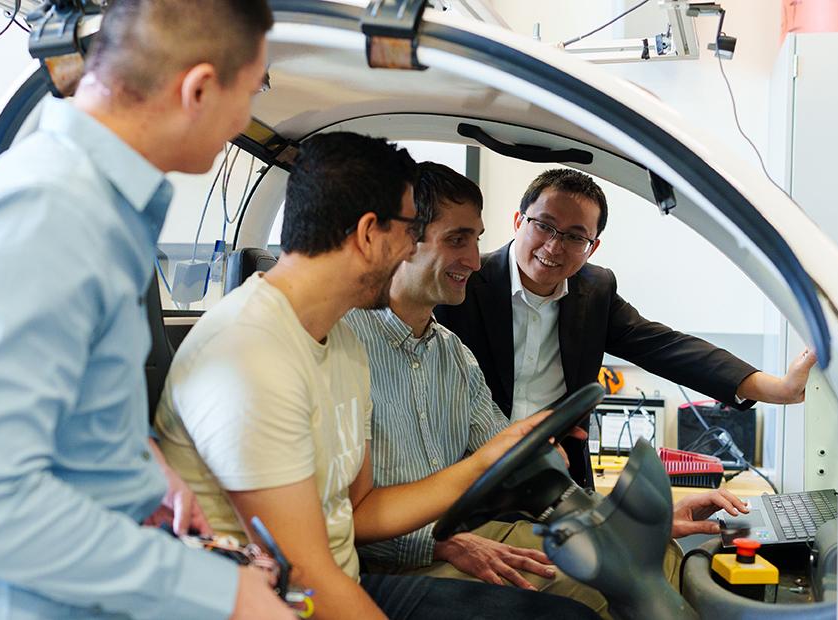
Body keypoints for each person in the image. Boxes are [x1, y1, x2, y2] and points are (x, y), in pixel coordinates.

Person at [0, 1, 291, 618]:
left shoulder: (96, 211)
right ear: (200, 88)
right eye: (251, 90)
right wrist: (217, 591)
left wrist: (132, 471)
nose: (248, 117)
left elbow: (65, 405)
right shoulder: (48, 218)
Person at [155, 133, 597, 619]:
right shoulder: (250, 356)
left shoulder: (339, 341)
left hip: (336, 578)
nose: (411, 249)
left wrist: (493, 455)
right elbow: (303, 575)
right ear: (369, 234)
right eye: (410, 231)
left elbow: (360, 509)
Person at [346, 162, 749, 616]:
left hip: (459, 533)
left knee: (648, 556)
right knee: (594, 595)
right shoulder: (344, 345)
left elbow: (516, 463)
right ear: (398, 240)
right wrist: (443, 543)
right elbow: (343, 515)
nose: (476, 261)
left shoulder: (453, 356)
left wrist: (627, 521)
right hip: (390, 560)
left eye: (476, 241)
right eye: (457, 240)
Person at [433, 168, 816, 488]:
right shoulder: (462, 281)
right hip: (467, 475)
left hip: (557, 477)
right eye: (544, 226)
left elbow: (665, 347)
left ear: (591, 247)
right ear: (518, 222)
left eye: (574, 236)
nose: (553, 247)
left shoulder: (594, 290)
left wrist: (777, 389)